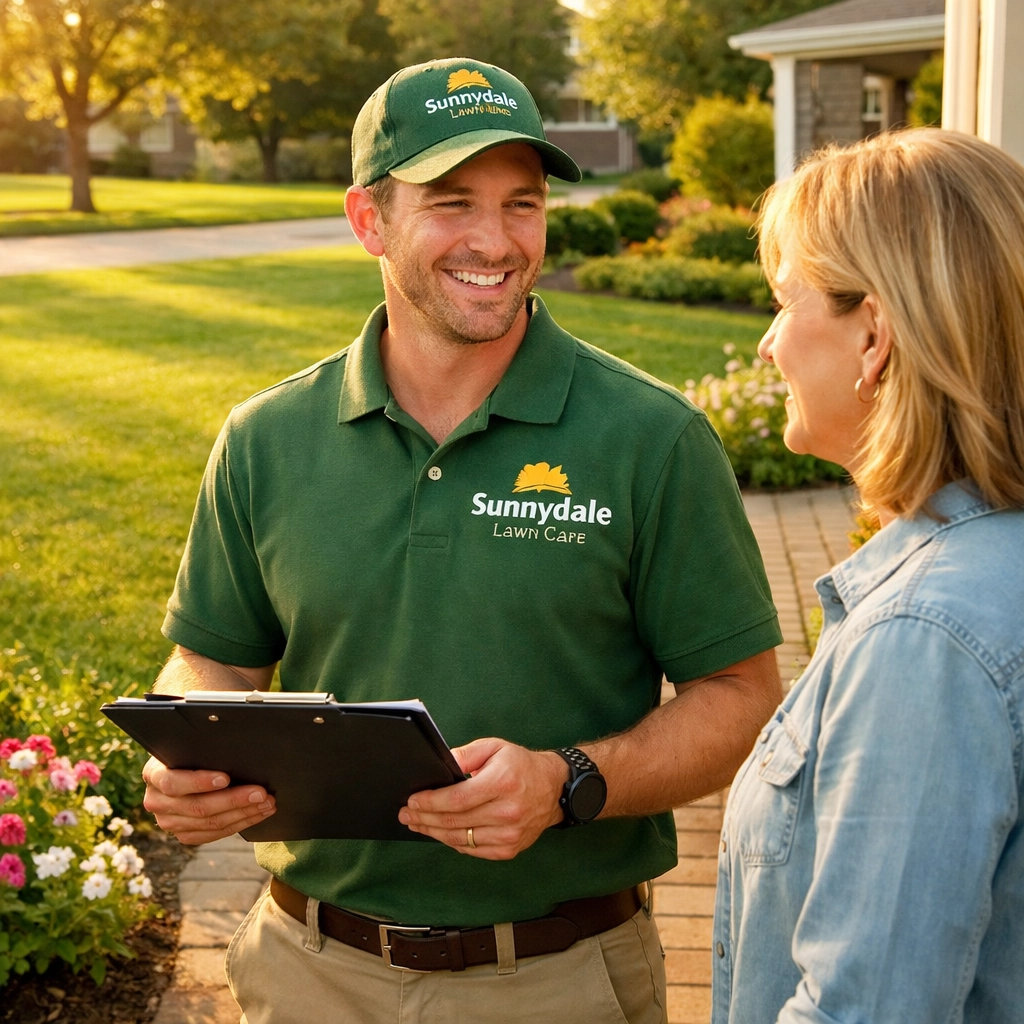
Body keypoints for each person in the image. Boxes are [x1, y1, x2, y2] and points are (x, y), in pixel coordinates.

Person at [142, 58, 783, 1024]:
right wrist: (187, 751)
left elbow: (740, 695)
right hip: (309, 971)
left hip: (561, 978)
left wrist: (569, 781)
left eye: (522, 204)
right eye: (452, 203)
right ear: (369, 220)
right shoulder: (266, 438)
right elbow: (211, 658)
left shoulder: (652, 439)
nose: (496, 241)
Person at [713, 128, 1024, 1024]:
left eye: (785, 303)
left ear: (875, 335)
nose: (768, 345)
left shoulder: (925, 640)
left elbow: (865, 1005)